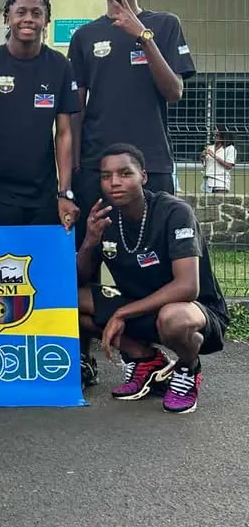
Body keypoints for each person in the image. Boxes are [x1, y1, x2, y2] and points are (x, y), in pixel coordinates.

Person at [76, 144, 228, 413]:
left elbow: (188, 287)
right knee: (70, 300)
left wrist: (121, 313)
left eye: (125, 174)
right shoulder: (105, 218)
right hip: (140, 305)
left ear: (143, 176)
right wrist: (89, 242)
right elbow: (78, 279)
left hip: (195, 312)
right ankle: (145, 359)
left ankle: (188, 367)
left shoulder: (174, 212)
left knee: (173, 318)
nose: (114, 182)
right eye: (106, 176)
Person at [69, 0, 196, 247]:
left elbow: (174, 91)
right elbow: (76, 109)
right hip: (97, 164)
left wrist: (142, 36)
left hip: (151, 161)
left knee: (157, 248)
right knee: (92, 248)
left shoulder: (164, 25)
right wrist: (73, 166)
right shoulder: (84, 36)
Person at [0, 0, 81, 231]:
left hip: (44, 194)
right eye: (21, 12)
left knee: (39, 256)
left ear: (46, 21)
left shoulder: (60, 66)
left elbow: (64, 134)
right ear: (7, 18)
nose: (28, 19)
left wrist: (64, 193)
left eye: (36, 13)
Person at [201, 128, 237, 193]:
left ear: (223, 135)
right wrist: (202, 157)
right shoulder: (210, 147)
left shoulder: (230, 148)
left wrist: (215, 156)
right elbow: (206, 165)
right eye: (213, 135)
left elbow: (229, 166)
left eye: (217, 135)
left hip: (220, 183)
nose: (214, 137)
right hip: (207, 182)